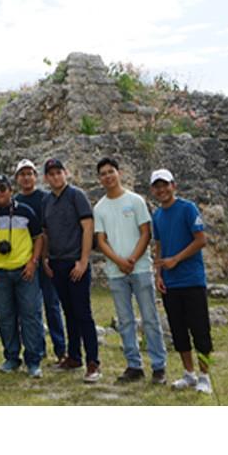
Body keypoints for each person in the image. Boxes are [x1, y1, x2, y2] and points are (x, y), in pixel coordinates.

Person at [93, 157, 167, 384]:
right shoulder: (100, 207)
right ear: (99, 179)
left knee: (150, 318)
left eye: (111, 171)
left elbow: (145, 232)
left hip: (141, 268)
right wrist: (119, 261)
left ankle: (158, 366)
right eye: (103, 173)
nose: (108, 176)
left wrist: (133, 259)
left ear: (119, 173)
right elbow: (101, 241)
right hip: (116, 272)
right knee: (125, 320)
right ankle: (133, 365)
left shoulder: (135, 201)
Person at [149, 169, 214, 394]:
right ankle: (189, 374)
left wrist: (176, 259)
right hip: (170, 283)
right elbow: (159, 245)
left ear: (173, 185)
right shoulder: (157, 216)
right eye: (157, 186)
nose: (162, 190)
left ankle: (205, 376)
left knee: (200, 330)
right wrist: (158, 274)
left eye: (165, 185)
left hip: (192, 280)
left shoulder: (188, 209)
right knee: (178, 331)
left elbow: (201, 240)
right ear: (152, 190)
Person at [0, 174, 46, 377]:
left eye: (2, 188)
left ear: (10, 190)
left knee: (30, 315)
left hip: (25, 271)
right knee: (5, 317)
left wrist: (33, 262)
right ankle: (12, 357)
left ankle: (33, 360)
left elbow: (38, 237)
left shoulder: (25, 211)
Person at [41, 158, 101, 383]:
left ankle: (93, 361)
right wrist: (46, 257)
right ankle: (74, 356)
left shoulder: (77, 196)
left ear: (65, 173)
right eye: (51, 174)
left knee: (83, 313)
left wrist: (84, 260)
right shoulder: (46, 201)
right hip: (57, 263)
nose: (56, 177)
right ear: (46, 178)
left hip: (76, 262)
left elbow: (87, 228)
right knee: (68, 312)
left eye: (59, 172)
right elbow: (45, 232)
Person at [14, 158, 67, 364]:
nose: (26, 178)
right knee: (30, 308)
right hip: (24, 260)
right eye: (23, 174)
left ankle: (60, 349)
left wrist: (44, 257)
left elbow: (47, 231)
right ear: (17, 179)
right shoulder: (15, 201)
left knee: (52, 305)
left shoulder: (46, 199)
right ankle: (37, 347)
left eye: (30, 174)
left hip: (46, 260)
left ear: (36, 177)